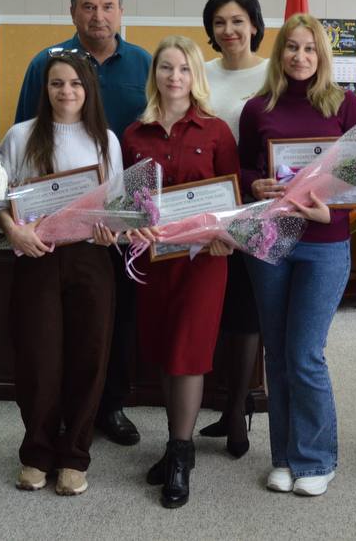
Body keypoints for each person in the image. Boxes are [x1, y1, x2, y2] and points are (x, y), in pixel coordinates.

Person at [14, 0, 152, 445]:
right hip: (49, 229)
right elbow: (24, 136)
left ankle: (109, 406)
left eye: (108, 6)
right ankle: (53, 417)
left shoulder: (142, 63)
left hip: (115, 218)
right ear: (73, 12)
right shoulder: (45, 62)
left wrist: (125, 216)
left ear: (121, 12)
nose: (98, 16)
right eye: (88, 7)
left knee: (112, 322)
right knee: (51, 332)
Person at [238, 13, 356, 497]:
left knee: (306, 354)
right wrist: (256, 183)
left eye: (310, 48)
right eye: (292, 47)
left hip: (324, 242)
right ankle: (283, 458)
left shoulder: (345, 105)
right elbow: (242, 165)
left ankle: (316, 459)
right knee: (276, 352)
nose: (300, 56)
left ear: (322, 55)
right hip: (270, 240)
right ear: (280, 53)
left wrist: (332, 209)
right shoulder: (257, 107)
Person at [0, 51, 122, 496]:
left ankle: (74, 456)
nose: (67, 91)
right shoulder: (20, 136)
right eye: (57, 83)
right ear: (44, 89)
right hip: (37, 257)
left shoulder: (106, 140)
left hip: (91, 258)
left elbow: (117, 208)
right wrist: (12, 230)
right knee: (38, 358)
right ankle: (37, 452)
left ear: (89, 90)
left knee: (89, 356)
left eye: (75, 84)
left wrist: (113, 231)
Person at [122, 35, 239, 509]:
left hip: (203, 262)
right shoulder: (134, 135)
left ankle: (180, 454)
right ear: (154, 75)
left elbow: (234, 200)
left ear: (196, 76)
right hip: (155, 263)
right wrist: (131, 227)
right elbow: (129, 206)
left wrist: (226, 236)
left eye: (184, 68)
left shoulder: (216, 131)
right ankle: (175, 444)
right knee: (164, 349)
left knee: (188, 352)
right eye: (166, 68)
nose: (175, 77)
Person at [196, 0, 268, 457]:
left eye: (238, 20)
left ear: (254, 25)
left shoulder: (272, 73)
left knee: (245, 309)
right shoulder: (200, 73)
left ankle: (238, 411)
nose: (229, 30)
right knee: (212, 307)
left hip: (256, 203)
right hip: (207, 202)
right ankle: (223, 405)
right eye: (219, 22)